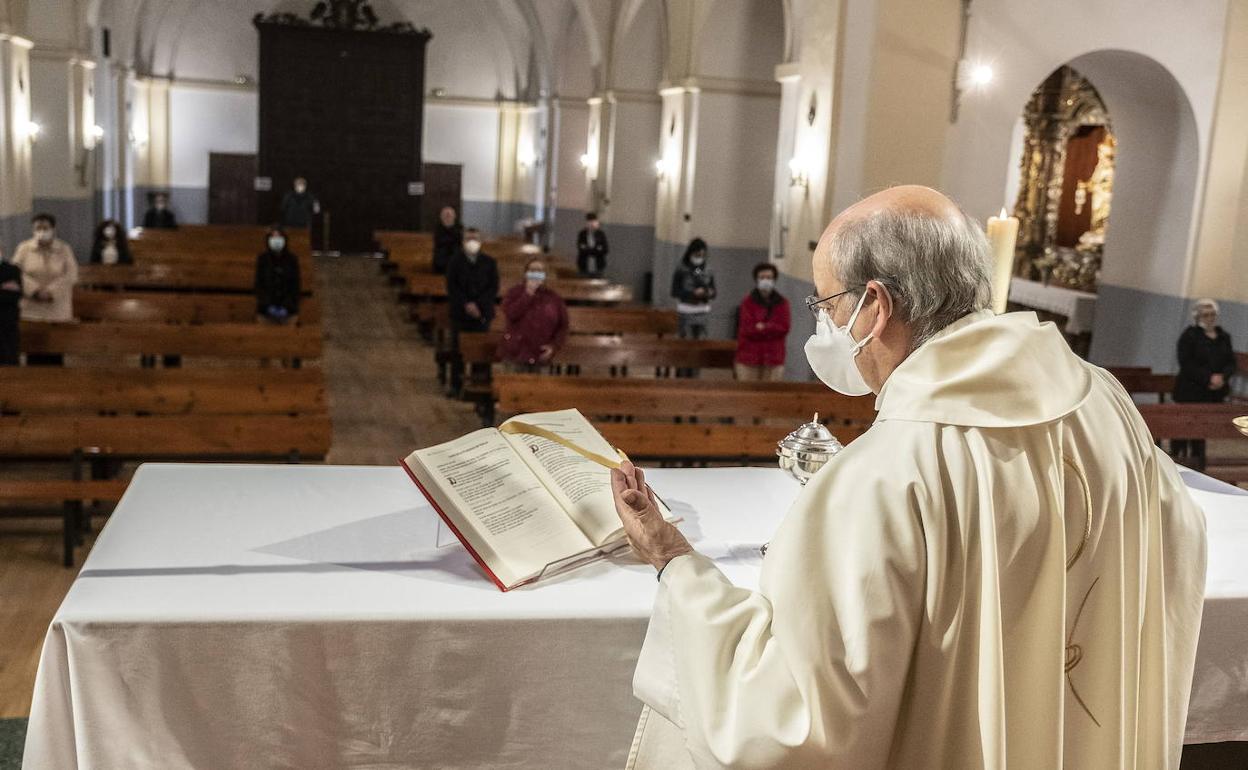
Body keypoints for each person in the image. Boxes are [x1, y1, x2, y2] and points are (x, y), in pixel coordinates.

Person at [613, 185, 1206, 769]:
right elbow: (1177, 542)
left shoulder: (885, 475)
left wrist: (676, 564)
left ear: (874, 304)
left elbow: (795, 727)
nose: (824, 325)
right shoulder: (1104, 399)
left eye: (827, 305)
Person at [1172, 298, 1236, 468]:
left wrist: (1222, 377)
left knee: (1201, 432)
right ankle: (1177, 461)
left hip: (1212, 392)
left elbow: (1231, 362)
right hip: (1191, 390)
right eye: (1205, 315)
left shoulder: (1223, 337)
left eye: (1212, 314)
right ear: (1198, 316)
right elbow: (1186, 362)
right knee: (1184, 428)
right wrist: (1208, 378)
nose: (1209, 318)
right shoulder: (1190, 336)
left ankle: (1198, 463)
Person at [13, 214, 78, 366]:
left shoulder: (64, 249)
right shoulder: (24, 249)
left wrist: (51, 292)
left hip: (57, 309)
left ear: (53, 229)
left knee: (55, 353)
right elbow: (15, 273)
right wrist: (34, 290)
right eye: (38, 228)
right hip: (31, 309)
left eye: (45, 228)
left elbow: (70, 275)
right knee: (33, 352)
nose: (41, 231)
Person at [446, 228, 499, 392]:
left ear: (480, 241)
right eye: (469, 239)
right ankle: (456, 385)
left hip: (482, 313)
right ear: (463, 242)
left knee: (481, 351)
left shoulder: (489, 262)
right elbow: (452, 286)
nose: (472, 242)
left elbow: (493, 287)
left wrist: (479, 305)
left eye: (475, 238)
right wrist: (467, 304)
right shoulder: (454, 261)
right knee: (458, 351)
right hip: (460, 313)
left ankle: (479, 385)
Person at [497, 258, 568, 372]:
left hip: (540, 355)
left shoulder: (554, 298)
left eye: (540, 270)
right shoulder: (514, 292)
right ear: (526, 273)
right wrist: (528, 294)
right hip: (516, 354)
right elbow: (511, 313)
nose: (536, 273)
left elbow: (562, 326)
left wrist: (554, 346)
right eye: (533, 270)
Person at [734, 262, 791, 381]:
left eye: (769, 277)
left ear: (774, 280)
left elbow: (783, 328)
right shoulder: (747, 302)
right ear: (756, 279)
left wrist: (763, 327)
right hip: (749, 358)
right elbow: (747, 329)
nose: (765, 280)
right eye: (762, 277)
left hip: (773, 358)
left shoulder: (782, 303)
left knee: (772, 397)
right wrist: (770, 328)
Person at [254, 227, 302, 324]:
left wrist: (287, 306)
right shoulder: (263, 260)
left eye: (279, 237)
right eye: (273, 237)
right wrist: (268, 306)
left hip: (288, 311)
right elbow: (259, 284)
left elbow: (295, 286)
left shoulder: (292, 260)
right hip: (266, 311)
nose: (276, 241)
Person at [670, 238, 715, 339]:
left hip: (703, 312)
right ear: (691, 253)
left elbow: (713, 290)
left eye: (703, 256)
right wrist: (692, 293)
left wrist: (709, 292)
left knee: (702, 344)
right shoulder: (681, 268)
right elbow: (674, 291)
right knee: (686, 345)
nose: (700, 258)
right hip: (686, 312)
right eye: (697, 255)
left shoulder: (708, 269)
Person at [0, 249, 20, 365]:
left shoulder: (12, 270)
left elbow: (14, 295)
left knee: (9, 359)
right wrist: (3, 287)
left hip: (7, 323)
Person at [576, 212, 609, 277]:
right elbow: (581, 249)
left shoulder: (601, 234)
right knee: (583, 283)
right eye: (589, 222)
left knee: (598, 283)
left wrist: (588, 249)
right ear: (586, 223)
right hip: (584, 266)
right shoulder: (582, 234)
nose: (591, 224)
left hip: (598, 266)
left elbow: (606, 249)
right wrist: (597, 249)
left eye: (594, 221)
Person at [432, 206, 463, 275]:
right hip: (440, 265)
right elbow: (440, 242)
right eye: (445, 215)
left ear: (454, 216)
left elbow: (459, 242)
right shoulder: (437, 228)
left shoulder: (460, 228)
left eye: (450, 215)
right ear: (441, 217)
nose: (448, 217)